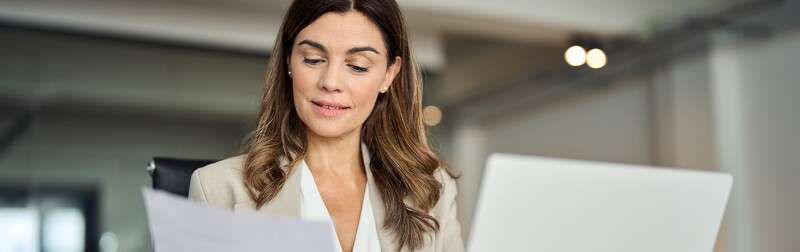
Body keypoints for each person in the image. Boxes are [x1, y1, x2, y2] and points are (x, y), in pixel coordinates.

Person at [187, 0, 464, 251]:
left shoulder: (431, 191)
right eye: (313, 59)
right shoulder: (217, 188)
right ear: (289, 61)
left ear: (389, 74)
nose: (330, 82)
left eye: (357, 65)